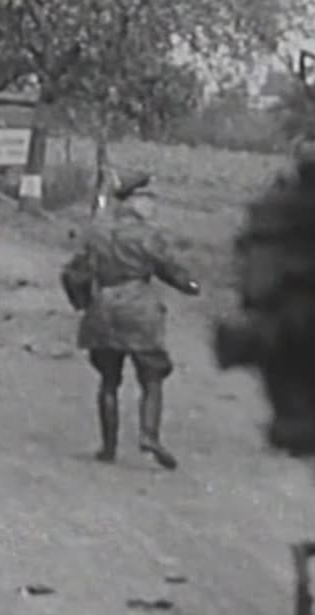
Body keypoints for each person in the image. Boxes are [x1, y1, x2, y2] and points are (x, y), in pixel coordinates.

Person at [61, 188, 201, 469]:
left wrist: (83, 303)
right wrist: (190, 285)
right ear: (137, 205)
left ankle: (108, 447)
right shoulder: (149, 235)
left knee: (109, 380)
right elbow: (169, 269)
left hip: (103, 310)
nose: (153, 208)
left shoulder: (96, 232)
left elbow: (74, 273)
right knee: (152, 377)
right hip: (139, 310)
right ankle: (149, 435)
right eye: (150, 203)